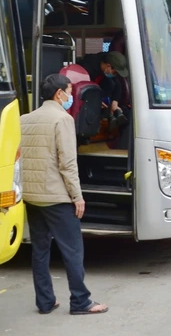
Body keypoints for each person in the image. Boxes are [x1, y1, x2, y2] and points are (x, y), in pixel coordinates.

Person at [20, 74, 108, 316]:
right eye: (69, 92)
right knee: (72, 250)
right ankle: (80, 301)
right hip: (56, 196)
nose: (71, 97)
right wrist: (77, 196)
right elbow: (67, 163)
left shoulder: (24, 119)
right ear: (59, 94)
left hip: (32, 194)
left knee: (40, 250)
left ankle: (45, 301)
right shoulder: (63, 120)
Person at [94, 51, 129, 128]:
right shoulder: (89, 69)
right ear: (108, 66)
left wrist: (115, 102)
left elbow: (118, 86)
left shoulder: (108, 72)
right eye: (115, 72)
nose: (114, 75)